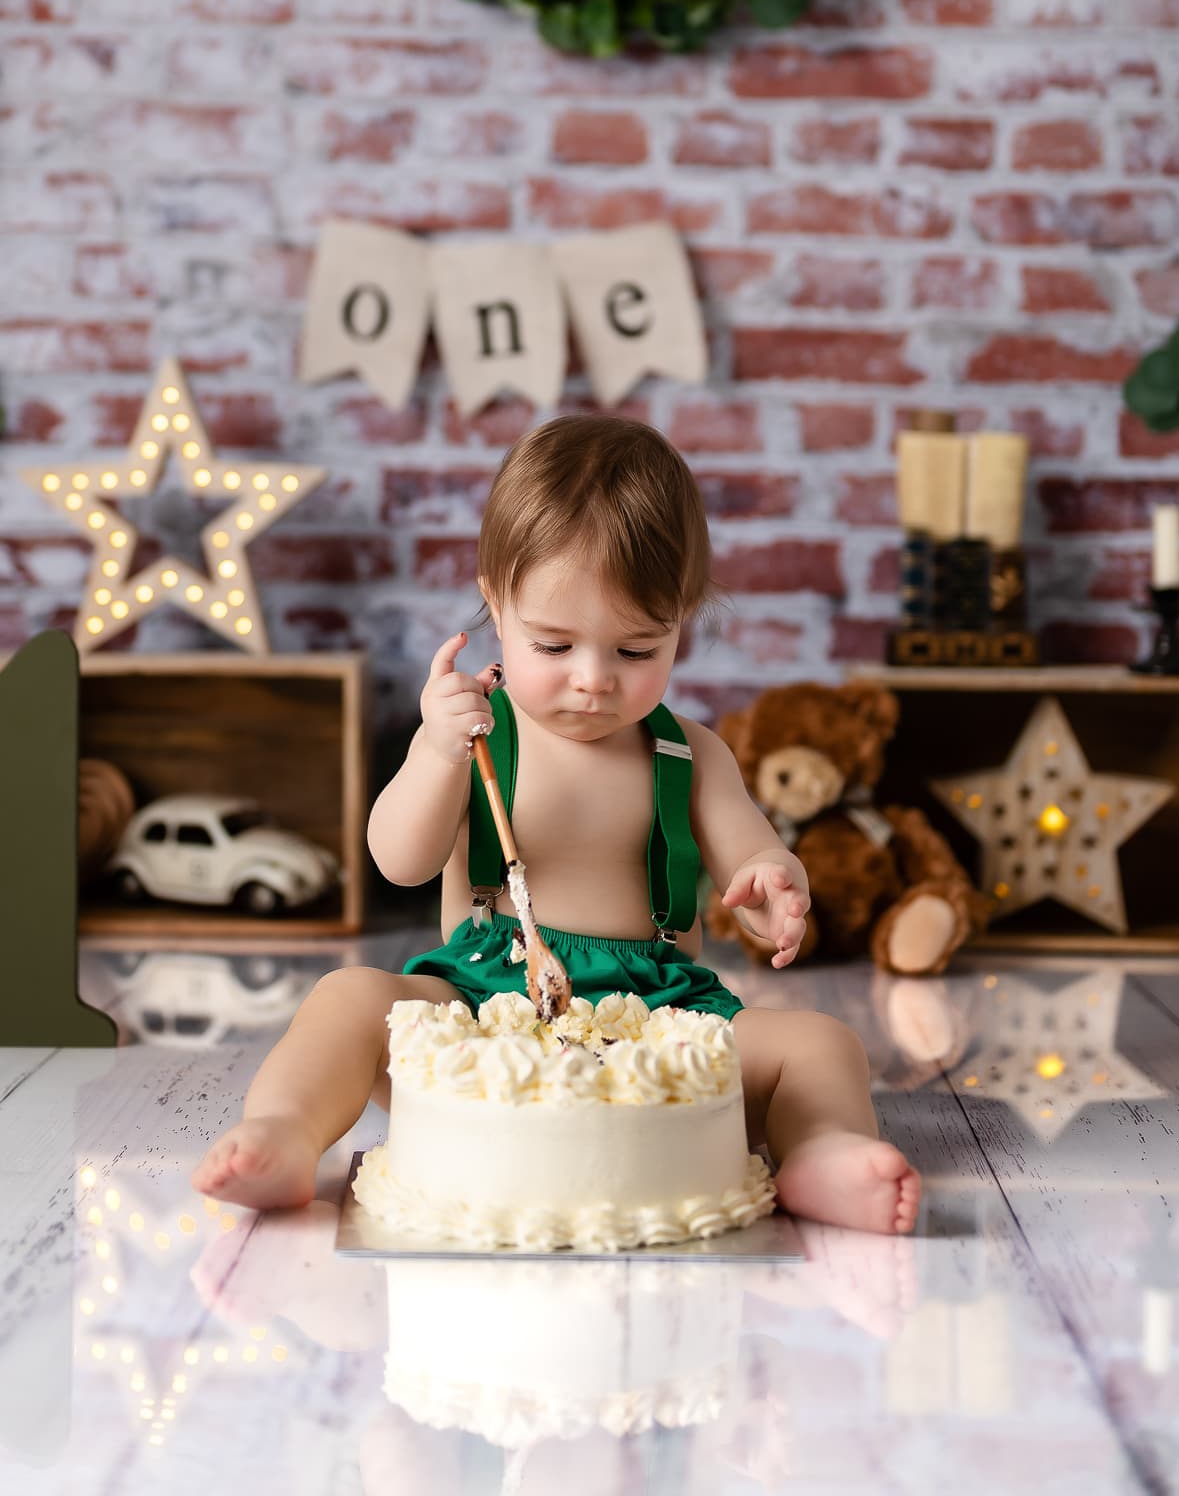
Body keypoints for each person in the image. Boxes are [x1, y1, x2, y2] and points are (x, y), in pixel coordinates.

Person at [191, 414, 921, 1235]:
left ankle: (821, 1150)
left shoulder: (689, 756)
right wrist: (435, 754)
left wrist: (767, 879)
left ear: (683, 618)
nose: (592, 681)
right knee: (349, 997)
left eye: (637, 651)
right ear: (495, 604)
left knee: (823, 1045)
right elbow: (398, 861)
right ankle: (287, 1133)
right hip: (478, 1001)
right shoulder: (469, 738)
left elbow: (747, 849)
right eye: (553, 644)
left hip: (657, 1015)